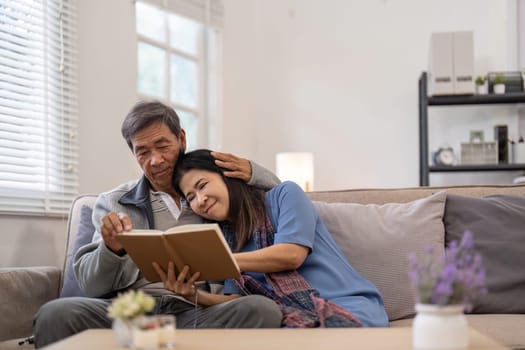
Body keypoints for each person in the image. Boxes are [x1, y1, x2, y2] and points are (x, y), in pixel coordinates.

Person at [33, 101, 282, 348]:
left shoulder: (211, 193)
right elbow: (91, 285)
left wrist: (252, 171)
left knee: (262, 309)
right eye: (143, 152)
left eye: (163, 146)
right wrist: (112, 250)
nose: (155, 160)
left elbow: (277, 197)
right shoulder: (113, 203)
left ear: (181, 139)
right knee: (56, 313)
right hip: (131, 313)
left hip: (197, 311)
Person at [154, 149, 389, 328]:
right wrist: (192, 294)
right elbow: (238, 300)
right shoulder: (224, 239)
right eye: (191, 197)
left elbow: (290, 255)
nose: (201, 200)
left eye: (203, 185)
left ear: (227, 177)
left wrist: (220, 260)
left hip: (348, 307)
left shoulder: (285, 195)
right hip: (291, 320)